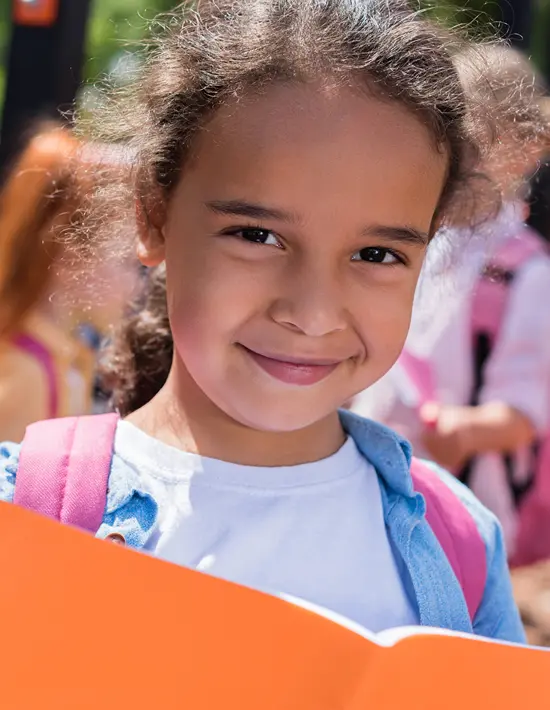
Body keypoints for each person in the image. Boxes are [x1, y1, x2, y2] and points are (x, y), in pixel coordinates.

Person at [0, 0, 526, 641]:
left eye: (377, 254)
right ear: (152, 217)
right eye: (257, 235)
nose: (312, 313)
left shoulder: (461, 540)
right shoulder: (26, 512)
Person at [353, 46, 550, 564]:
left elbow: (523, 414)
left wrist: (460, 429)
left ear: (529, 149)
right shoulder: (414, 240)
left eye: (478, 147)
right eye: (448, 143)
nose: (460, 164)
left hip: (466, 514)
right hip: (375, 486)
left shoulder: (525, 273)